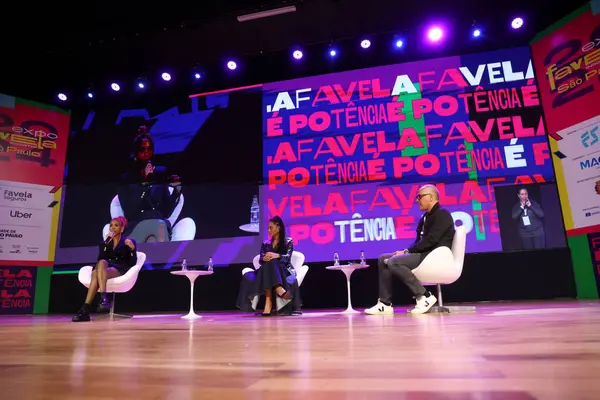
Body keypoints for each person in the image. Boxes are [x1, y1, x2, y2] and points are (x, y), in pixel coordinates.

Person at [365, 184, 455, 315]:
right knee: (384, 258)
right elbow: (420, 241)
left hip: (434, 256)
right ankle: (385, 304)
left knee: (394, 262)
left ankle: (424, 295)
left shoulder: (442, 214)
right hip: (424, 254)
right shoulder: (425, 217)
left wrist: (407, 252)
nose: (417, 200)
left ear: (430, 197)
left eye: (419, 196)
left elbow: (431, 241)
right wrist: (405, 251)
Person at [109, 125, 196, 242]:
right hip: (137, 227)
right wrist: (145, 184)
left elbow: (165, 212)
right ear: (135, 152)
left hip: (159, 226)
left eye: (149, 149)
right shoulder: (127, 179)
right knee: (159, 226)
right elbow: (130, 212)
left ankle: (160, 258)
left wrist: (176, 190)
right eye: (142, 149)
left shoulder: (160, 173)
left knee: (159, 229)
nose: (146, 152)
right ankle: (165, 258)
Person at [73, 217, 138, 322]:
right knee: (99, 267)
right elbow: (100, 259)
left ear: (122, 229)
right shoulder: (105, 243)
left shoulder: (129, 242)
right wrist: (105, 245)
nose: (113, 228)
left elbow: (132, 262)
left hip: (119, 269)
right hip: (104, 269)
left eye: (116, 225)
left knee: (96, 273)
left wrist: (132, 249)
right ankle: (103, 299)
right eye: (111, 225)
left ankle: (85, 309)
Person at [236, 216, 302, 316]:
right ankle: (278, 288)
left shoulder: (288, 241)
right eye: (268, 228)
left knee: (272, 261)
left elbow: (287, 258)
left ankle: (268, 301)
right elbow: (261, 258)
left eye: (271, 227)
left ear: (278, 228)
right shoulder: (265, 243)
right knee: (268, 262)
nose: (268, 230)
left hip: (283, 270)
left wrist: (277, 255)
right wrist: (264, 258)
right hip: (267, 271)